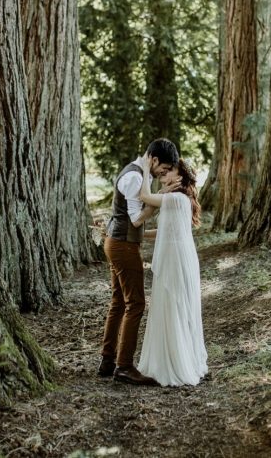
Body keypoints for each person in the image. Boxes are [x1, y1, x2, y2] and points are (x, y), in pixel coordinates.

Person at [98, 139, 180, 385]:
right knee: (135, 304)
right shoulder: (134, 177)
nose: (162, 174)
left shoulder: (137, 174)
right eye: (163, 169)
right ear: (153, 159)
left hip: (117, 241)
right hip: (123, 245)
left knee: (118, 303)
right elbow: (135, 219)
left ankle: (107, 360)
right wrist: (161, 199)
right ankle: (124, 366)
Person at [137, 156, 208, 386]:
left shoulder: (177, 198)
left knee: (173, 305)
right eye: (161, 173)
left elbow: (144, 196)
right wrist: (137, 235)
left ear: (179, 176)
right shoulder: (176, 199)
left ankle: (175, 364)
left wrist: (146, 168)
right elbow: (162, 231)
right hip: (177, 256)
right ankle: (173, 358)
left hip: (176, 260)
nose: (163, 175)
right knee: (171, 306)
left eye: (168, 172)